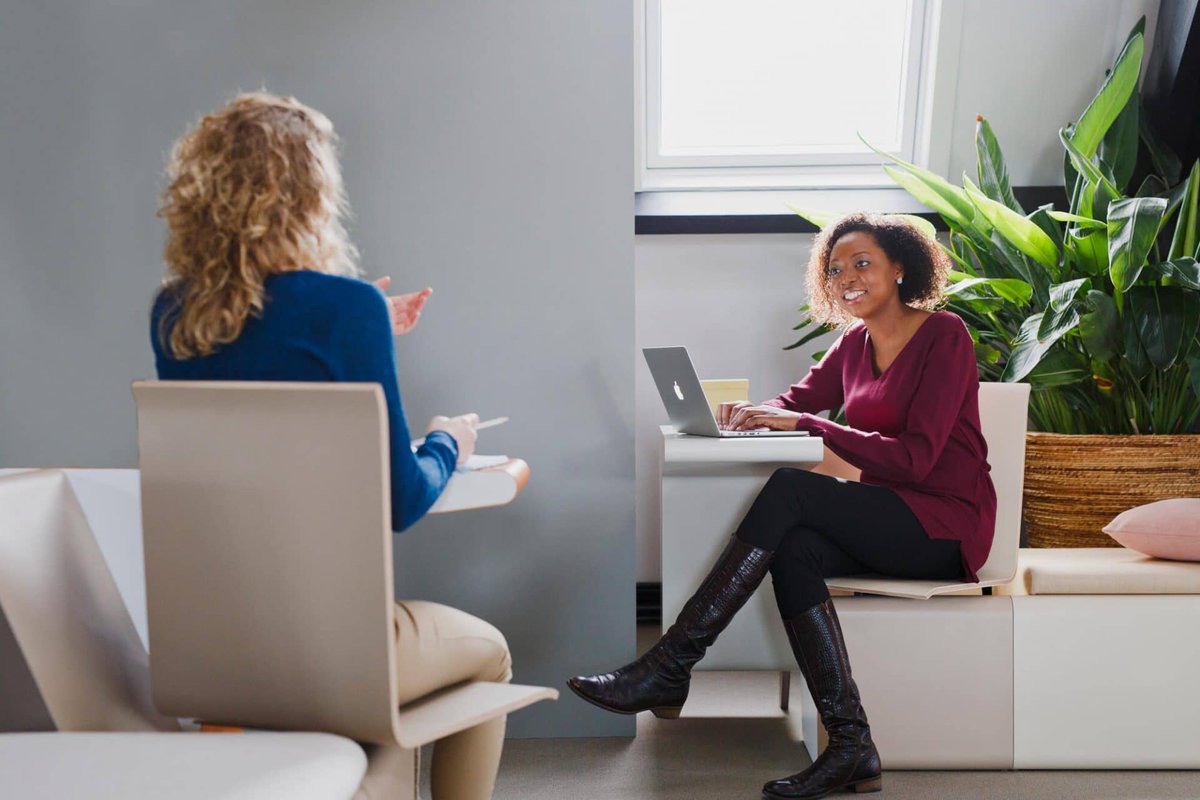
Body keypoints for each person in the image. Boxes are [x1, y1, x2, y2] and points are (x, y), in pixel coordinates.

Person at [151, 92, 511, 800]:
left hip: (213, 651)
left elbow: (259, 369)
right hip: (333, 647)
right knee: (491, 655)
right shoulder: (347, 309)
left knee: (365, 714)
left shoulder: (173, 312)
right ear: (308, 194)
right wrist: (447, 439)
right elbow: (402, 501)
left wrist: (357, 321)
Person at [569, 213, 995, 799]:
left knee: (793, 488)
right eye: (836, 268)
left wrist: (804, 423)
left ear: (900, 267)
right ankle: (852, 747)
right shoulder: (852, 344)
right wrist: (751, 412)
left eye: (862, 263)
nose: (847, 276)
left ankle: (670, 666)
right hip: (891, 516)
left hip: (946, 525)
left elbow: (917, 459)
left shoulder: (945, 337)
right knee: (795, 548)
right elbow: (796, 400)